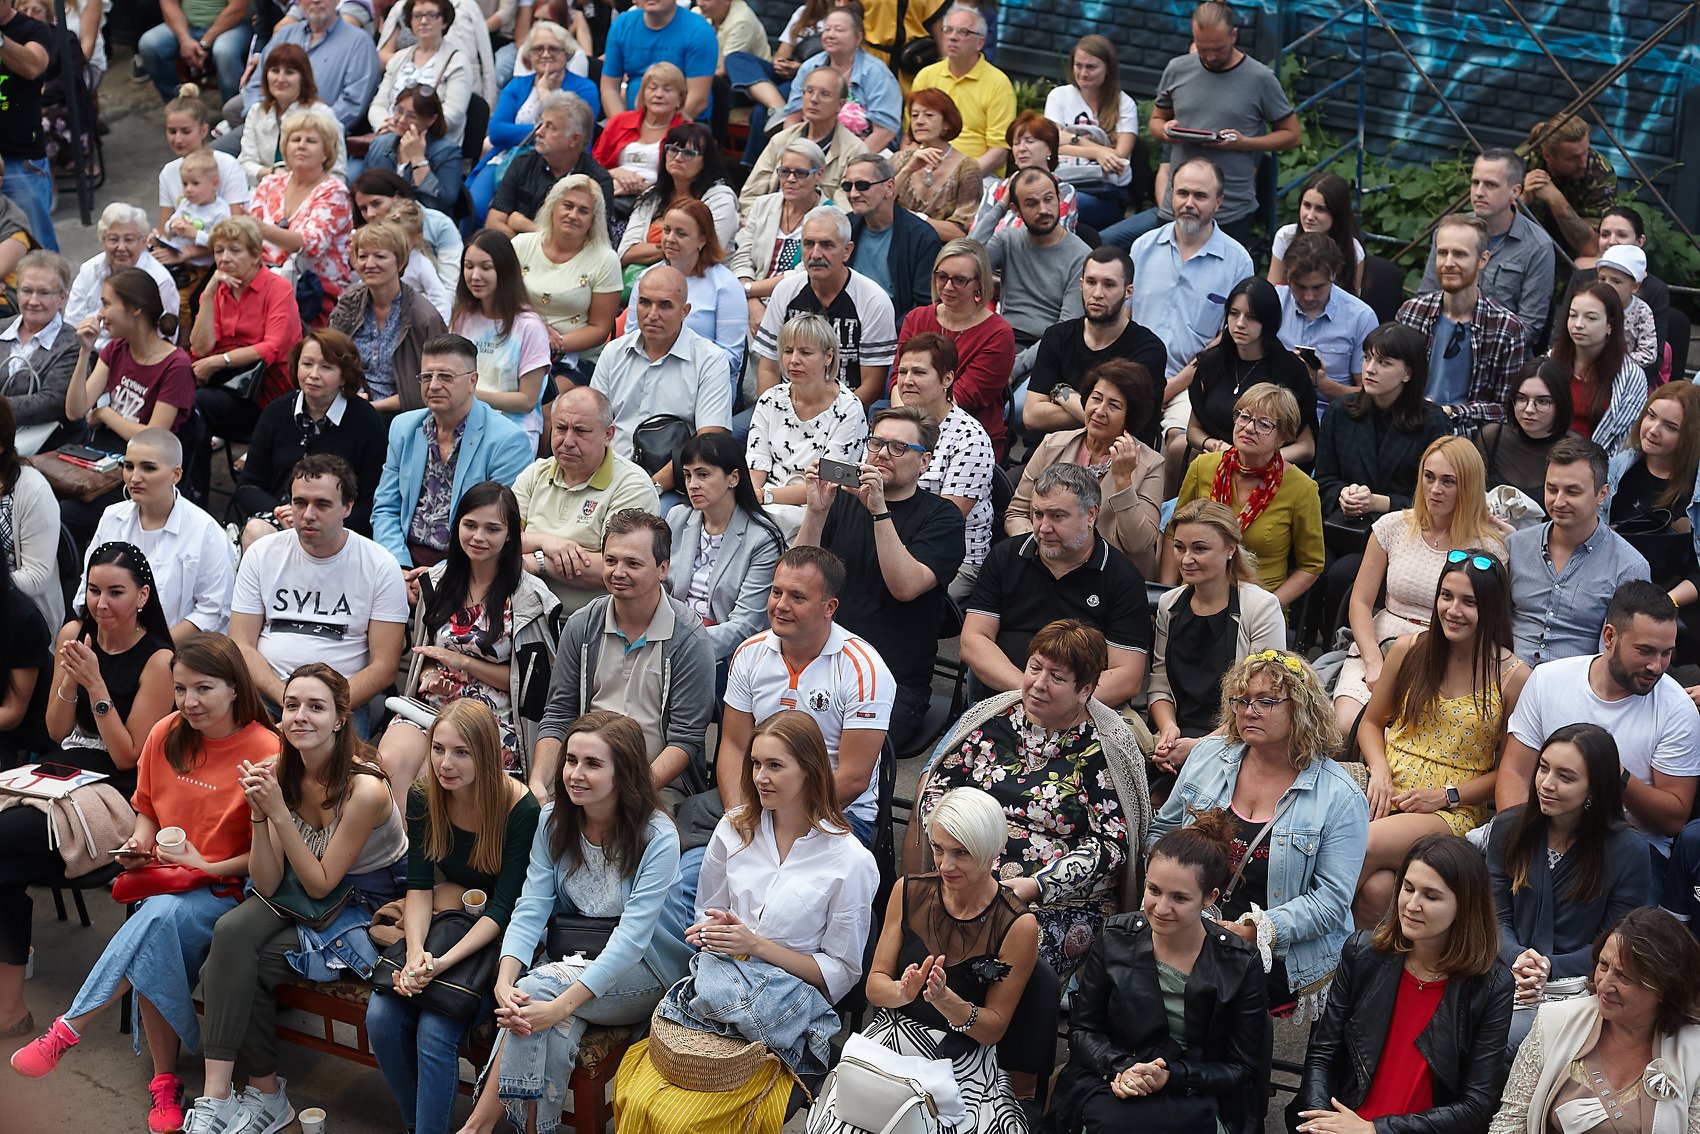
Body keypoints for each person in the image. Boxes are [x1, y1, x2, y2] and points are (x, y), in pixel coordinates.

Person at [10, 634, 278, 1134]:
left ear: (235, 689)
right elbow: (148, 810)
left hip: (227, 887)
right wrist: (138, 842)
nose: (188, 701)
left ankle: (74, 1031)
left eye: (203, 688)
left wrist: (204, 864)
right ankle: (160, 1080)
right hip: (164, 878)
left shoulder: (266, 751)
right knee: (159, 927)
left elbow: (267, 856)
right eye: (180, 689)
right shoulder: (166, 732)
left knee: (159, 921)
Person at [613, 711, 877, 1131]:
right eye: (755, 763)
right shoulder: (734, 828)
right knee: (637, 1096)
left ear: (810, 771)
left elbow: (839, 974)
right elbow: (707, 915)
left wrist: (755, 945)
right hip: (718, 987)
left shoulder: (851, 862)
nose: (760, 777)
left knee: (686, 1122)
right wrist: (713, 933)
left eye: (775, 765)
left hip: (788, 1009)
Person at [180, 664, 406, 1134]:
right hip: (301, 892)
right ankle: (220, 1097)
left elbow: (323, 882)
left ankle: (265, 1094)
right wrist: (260, 814)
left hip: (364, 905)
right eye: (291, 705)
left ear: (340, 719)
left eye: (316, 707)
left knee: (237, 965)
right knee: (230, 931)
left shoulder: (364, 788)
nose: (300, 716)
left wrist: (279, 812)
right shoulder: (279, 771)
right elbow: (267, 883)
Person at [456, 711, 691, 1134]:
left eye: (592, 764)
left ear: (625, 773)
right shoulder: (553, 820)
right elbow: (531, 906)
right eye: (570, 760)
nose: (575, 774)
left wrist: (555, 1004)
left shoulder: (657, 837)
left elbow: (632, 941)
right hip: (571, 959)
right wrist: (504, 980)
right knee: (551, 1027)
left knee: (537, 995)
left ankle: (477, 1126)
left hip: (642, 971)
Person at [912, 621, 1151, 981]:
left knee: (1003, 958)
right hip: (964, 874)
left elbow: (1113, 844)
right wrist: (953, 850)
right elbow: (938, 789)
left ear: (1085, 690)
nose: (1038, 684)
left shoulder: (1105, 746)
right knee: (914, 926)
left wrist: (1038, 885)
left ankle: (983, 1016)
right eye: (1035, 668)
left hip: (1056, 899)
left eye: (1057, 677)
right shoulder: (991, 719)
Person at [0, 542, 173, 1040]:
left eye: (116, 592)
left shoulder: (159, 660)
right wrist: (70, 681)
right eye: (94, 590)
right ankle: (9, 1008)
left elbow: (128, 756)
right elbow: (56, 730)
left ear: (142, 596)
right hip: (57, 773)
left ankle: (8, 1005)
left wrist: (96, 685)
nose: (101, 603)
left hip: (113, 792)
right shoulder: (74, 633)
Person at [808, 787, 1040, 1134]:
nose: (945, 865)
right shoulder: (908, 890)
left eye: (961, 853)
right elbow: (875, 986)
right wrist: (902, 992)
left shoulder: (1017, 925)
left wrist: (947, 1002)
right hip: (890, 1039)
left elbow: (993, 1029)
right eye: (938, 848)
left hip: (961, 1055)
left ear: (992, 852)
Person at [1150, 649, 1368, 1014]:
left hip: (1275, 951)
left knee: (1204, 995)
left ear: (1302, 709)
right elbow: (1162, 833)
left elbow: (1330, 903)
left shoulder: (1340, 796)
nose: (1249, 711)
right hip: (1185, 924)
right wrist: (1172, 899)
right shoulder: (1206, 756)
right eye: (1242, 700)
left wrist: (1256, 931)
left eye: (1266, 701)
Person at [365, 699, 542, 1134]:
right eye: (438, 749)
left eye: (461, 752)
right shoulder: (425, 796)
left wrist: (440, 963)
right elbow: (419, 885)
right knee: (381, 1018)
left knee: (435, 1029)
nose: (446, 764)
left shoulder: (520, 809)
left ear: (487, 756)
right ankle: (419, 1124)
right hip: (445, 924)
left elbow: (505, 907)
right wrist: (414, 954)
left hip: (499, 940)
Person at [1049, 809, 1271, 1134]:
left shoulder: (1240, 961)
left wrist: (1171, 1076)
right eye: (1153, 890)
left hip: (1198, 1091)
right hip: (1116, 1079)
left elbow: (1243, 1069)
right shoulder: (1114, 936)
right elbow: (1083, 1029)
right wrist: (1124, 1068)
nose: (1161, 908)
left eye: (1179, 897)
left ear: (1209, 898)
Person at [1352, 548, 1527, 925]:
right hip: (1385, 788)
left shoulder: (1513, 676)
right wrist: (1379, 770)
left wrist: (1447, 795)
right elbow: (1371, 722)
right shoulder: (1409, 649)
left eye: (1469, 602)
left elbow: (1513, 771)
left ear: (1491, 608)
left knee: (1359, 844)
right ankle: (1352, 958)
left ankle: (1293, 938)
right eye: (1446, 596)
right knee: (1377, 890)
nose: (1453, 610)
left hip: (1449, 809)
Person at [1295, 835, 1512, 1134]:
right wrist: (1321, 1122)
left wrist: (1375, 1130)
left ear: (1466, 906)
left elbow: (1476, 1106)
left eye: (1431, 896)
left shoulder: (1492, 986)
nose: (1411, 904)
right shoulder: (1361, 954)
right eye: (1408, 888)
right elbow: (1322, 1055)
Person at [798, 406, 966, 753]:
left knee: (833, 753)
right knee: (772, 734)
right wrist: (815, 512)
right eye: (876, 443)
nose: (883, 454)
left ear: (925, 462)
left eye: (899, 447)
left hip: (891, 680)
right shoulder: (841, 503)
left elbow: (905, 587)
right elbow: (799, 580)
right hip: (821, 663)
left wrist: (879, 510)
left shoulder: (943, 517)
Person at [1498, 580, 1699, 864]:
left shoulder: (1676, 709)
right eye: (1644, 651)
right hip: (1543, 833)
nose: (1656, 666)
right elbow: (1515, 773)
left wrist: (1616, 776)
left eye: (1666, 653)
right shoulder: (1548, 680)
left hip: (1631, 851)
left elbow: (1674, 819)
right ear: (1610, 637)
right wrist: (1522, 840)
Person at [379, 481, 561, 794]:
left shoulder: (531, 598)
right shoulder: (436, 582)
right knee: (390, 763)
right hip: (434, 706)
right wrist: (430, 676)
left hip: (492, 716)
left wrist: (463, 663)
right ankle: (403, 829)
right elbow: (427, 654)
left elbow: (529, 685)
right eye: (470, 525)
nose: (478, 537)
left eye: (492, 529)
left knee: (431, 777)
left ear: (510, 536)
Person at [531, 509, 716, 805]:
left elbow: (685, 740)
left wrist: (626, 795)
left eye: (633, 563)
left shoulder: (689, 639)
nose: (618, 572)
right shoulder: (582, 625)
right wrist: (539, 784)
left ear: (662, 569)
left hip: (656, 787)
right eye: (611, 561)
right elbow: (559, 714)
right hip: (582, 777)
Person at [710, 543, 892, 841]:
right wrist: (741, 816)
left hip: (835, 812)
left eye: (797, 597)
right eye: (776, 592)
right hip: (757, 802)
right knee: (691, 869)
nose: (781, 605)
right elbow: (734, 746)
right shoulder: (749, 653)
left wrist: (781, 827)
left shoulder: (865, 670)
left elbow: (854, 777)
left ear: (829, 607)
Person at [1489, 723, 1650, 1056]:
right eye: (1543, 768)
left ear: (1594, 789)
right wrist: (1517, 957)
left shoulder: (1627, 850)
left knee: (1503, 1041)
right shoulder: (1509, 828)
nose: (1547, 784)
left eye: (1565, 777)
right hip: (1504, 968)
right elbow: (1493, 914)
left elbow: (1614, 941)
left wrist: (1548, 968)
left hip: (1577, 986)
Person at [1329, 436, 1504, 724]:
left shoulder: (1489, 548)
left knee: (1410, 734)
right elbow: (1360, 602)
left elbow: (1489, 624)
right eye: (1429, 476)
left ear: (1469, 486)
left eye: (1448, 481)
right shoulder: (1392, 526)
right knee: (1347, 724)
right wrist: (1373, 662)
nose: (1435, 489)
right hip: (1382, 644)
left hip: (1447, 655)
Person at [230, 455, 409, 732]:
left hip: (342, 703)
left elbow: (384, 667)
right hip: (265, 695)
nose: (308, 514)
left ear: (347, 507)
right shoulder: (262, 553)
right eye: (299, 502)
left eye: (322, 504)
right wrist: (290, 702)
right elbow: (241, 644)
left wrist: (318, 707)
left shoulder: (380, 565)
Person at [1100, 1, 1299, 250]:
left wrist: (1245, 142)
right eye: (1203, 49)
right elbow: (1156, 121)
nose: (1211, 57)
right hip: (1177, 207)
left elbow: (1292, 135)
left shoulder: (1260, 79)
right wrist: (1166, 131)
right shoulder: (1178, 68)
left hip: (1231, 210)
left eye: (1218, 48)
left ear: (1234, 35)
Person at [1486, 907, 1700, 1134]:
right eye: (1603, 965)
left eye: (1624, 976)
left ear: (1664, 988)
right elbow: (1509, 1123)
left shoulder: (1694, 1052)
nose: (1604, 985)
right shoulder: (1554, 1022)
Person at [968, 463, 1153, 710]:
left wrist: (1057, 704)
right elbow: (974, 639)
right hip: (1001, 700)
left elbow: (1127, 677)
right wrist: (1028, 691)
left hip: (1082, 713)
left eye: (1057, 516)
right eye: (1038, 514)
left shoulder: (1122, 578)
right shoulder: (1005, 556)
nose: (1044, 528)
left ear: (1091, 515)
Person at [372, 333, 535, 569]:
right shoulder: (403, 427)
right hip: (402, 558)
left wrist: (437, 576)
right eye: (426, 376)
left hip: (466, 566)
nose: (434, 385)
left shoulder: (507, 441)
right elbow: (386, 508)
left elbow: (498, 531)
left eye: (446, 376)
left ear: (472, 381)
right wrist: (399, 566)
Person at [1149, 499, 1285, 777]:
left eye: (1200, 548)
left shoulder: (1261, 607)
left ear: (1230, 548)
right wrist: (1168, 731)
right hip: (1179, 736)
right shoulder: (1169, 604)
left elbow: (1262, 702)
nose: (1186, 559)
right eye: (1179, 547)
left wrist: (1200, 747)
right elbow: (1160, 684)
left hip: (1241, 736)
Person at [1128, 160, 1255, 455]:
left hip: (1193, 383)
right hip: (1133, 375)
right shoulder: (1142, 247)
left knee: (1180, 444)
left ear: (1219, 201)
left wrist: (1168, 388)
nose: (1188, 203)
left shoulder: (1237, 262)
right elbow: (1125, 316)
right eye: (1182, 193)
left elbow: (1226, 339)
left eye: (1200, 196)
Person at [62, 268, 196, 547]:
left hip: (139, 473)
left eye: (106, 304)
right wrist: (84, 351)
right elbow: (75, 411)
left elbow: (151, 436)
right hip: (100, 460)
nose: (100, 314)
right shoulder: (115, 349)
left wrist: (105, 414)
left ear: (135, 309)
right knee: (47, 498)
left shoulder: (176, 365)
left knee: (64, 516)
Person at [1169, 382, 1326, 606]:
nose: (1249, 428)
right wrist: (1167, 594)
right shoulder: (1202, 466)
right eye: (1244, 417)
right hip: (1196, 595)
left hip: (1258, 600)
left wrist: (1268, 606)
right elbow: (1173, 532)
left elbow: (1311, 565)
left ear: (1283, 437)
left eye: (1264, 424)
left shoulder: (1302, 488)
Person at [1008, 360, 1164, 579]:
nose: (1100, 411)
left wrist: (1123, 482)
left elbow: (1139, 544)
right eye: (1096, 399)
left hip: (1109, 578)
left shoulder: (1150, 463)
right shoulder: (1052, 444)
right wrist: (1040, 546)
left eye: (1114, 405)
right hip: (1044, 567)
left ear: (1130, 415)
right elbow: (1017, 512)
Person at [187, 216, 311, 491]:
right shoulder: (218, 291)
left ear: (256, 255)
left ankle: (195, 491)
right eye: (219, 250)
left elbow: (273, 346)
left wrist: (220, 361)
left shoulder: (277, 288)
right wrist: (208, 294)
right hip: (227, 387)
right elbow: (200, 348)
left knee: (194, 405)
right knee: (185, 405)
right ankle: (191, 490)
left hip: (269, 393)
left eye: (235, 250)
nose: (225, 258)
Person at [234, 329, 386, 549]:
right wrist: (285, 513)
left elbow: (372, 501)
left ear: (344, 375)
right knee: (256, 531)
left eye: (326, 367)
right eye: (307, 364)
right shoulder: (276, 412)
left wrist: (323, 521)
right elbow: (247, 487)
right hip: (279, 519)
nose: (314, 374)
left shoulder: (367, 422)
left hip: (339, 528)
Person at [590, 266, 733, 498]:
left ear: (685, 311)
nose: (652, 314)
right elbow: (591, 423)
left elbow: (708, 441)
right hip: (606, 474)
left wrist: (648, 488)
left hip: (670, 485)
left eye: (665, 305)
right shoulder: (613, 352)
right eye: (644, 303)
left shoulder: (710, 360)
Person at [81, 429, 235, 645]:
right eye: (129, 466)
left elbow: (212, 611)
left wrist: (151, 649)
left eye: (149, 468)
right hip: (110, 641)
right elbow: (86, 587)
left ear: (176, 474)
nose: (135, 477)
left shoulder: (206, 531)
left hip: (178, 650)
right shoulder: (112, 517)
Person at [1506, 436, 1649, 666]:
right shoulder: (1515, 546)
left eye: (1572, 492)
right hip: (1505, 677)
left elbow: (1615, 657)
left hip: (1578, 683)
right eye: (1552, 489)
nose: (1558, 501)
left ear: (1602, 494)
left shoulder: (1629, 567)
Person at [515, 387, 661, 613]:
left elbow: (617, 568)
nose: (568, 441)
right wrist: (545, 542)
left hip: (595, 622)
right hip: (523, 615)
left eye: (581, 431)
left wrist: (537, 563)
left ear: (608, 434)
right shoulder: (536, 473)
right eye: (560, 428)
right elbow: (500, 540)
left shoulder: (632, 485)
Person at [752, 206, 898, 410]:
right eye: (808, 244)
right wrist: (774, 414)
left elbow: (872, 386)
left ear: (847, 250)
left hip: (848, 412)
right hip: (786, 407)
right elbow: (768, 368)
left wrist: (826, 418)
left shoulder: (873, 300)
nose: (816, 254)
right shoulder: (785, 291)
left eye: (827, 245)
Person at [1022, 247, 1168, 441]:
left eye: (1109, 284)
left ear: (1128, 291)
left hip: (1117, 456)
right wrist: (1103, 416)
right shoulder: (1057, 336)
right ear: (1081, 284)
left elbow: (1125, 427)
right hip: (1053, 451)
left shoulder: (1149, 350)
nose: (1097, 293)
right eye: (1091, 282)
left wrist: (1060, 392)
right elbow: (1032, 416)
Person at [1394, 214, 1528, 427]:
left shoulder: (1507, 328)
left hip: (1470, 435)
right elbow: (1391, 382)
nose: (1448, 263)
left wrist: (1452, 412)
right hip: (1410, 425)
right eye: (1442, 253)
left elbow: (1507, 407)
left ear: (1483, 259)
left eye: (1459, 254)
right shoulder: (1411, 312)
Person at [665, 431, 786, 665]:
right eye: (688, 475)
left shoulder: (762, 539)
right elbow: (658, 586)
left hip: (722, 656)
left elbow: (746, 624)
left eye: (703, 474)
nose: (692, 485)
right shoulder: (677, 518)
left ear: (734, 478)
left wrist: (678, 645)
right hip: (668, 637)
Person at [889, 333, 995, 598]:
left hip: (954, 557)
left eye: (919, 372)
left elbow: (946, 522)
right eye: (902, 372)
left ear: (947, 379)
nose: (907, 381)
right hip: (892, 538)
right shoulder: (894, 426)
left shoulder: (970, 438)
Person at [1419, 150, 1554, 347]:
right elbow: (1425, 299)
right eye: (1475, 182)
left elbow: (1529, 328)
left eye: (1490, 185)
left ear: (1515, 191)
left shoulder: (1538, 246)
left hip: (1501, 354)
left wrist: (1472, 346)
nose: (1479, 192)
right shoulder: (1449, 232)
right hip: (1440, 342)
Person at [747, 312, 869, 529]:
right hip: (764, 500)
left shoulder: (849, 409)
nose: (794, 360)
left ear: (828, 357)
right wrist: (749, 498)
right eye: (788, 351)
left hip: (816, 508)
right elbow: (757, 465)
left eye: (805, 352)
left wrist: (765, 496)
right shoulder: (770, 399)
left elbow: (827, 484)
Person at [1176, 276, 1318, 463]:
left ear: (1268, 320)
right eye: (1234, 313)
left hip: (1269, 466)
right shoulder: (1211, 362)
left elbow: (1306, 447)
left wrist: (1256, 460)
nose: (1240, 323)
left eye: (1251, 317)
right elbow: (1193, 430)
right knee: (1177, 447)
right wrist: (1219, 447)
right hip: (1216, 455)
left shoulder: (1290, 370)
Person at [896, 240, 1015, 460]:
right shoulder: (916, 318)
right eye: (942, 276)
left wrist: (910, 435)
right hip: (909, 427)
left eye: (959, 280)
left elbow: (961, 398)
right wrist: (901, 428)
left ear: (979, 283)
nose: (948, 287)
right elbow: (898, 380)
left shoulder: (998, 334)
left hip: (967, 441)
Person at [470, 21, 601, 220]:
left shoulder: (584, 88)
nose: (545, 54)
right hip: (508, 158)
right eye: (538, 49)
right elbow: (496, 132)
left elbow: (580, 135)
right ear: (529, 55)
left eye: (553, 49)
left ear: (566, 53)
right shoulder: (517, 85)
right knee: (475, 206)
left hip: (561, 164)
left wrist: (545, 96)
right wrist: (547, 131)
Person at [1608, 384, 1700, 652]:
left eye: (1670, 427)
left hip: (1676, 599)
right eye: (1651, 415)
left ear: (1690, 437)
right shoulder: (1618, 468)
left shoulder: (1694, 489)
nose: (1653, 429)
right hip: (1614, 590)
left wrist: (1664, 603)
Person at [327, 220, 448, 416]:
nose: (369, 264)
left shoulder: (424, 317)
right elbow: (329, 354)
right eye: (363, 256)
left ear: (400, 262)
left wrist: (371, 408)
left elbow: (436, 383)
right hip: (346, 404)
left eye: (380, 256)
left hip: (403, 415)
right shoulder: (350, 301)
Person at [247, 111, 356, 321]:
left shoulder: (334, 192)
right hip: (263, 283)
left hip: (314, 293)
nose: (301, 145)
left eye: (311, 141)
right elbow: (249, 240)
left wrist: (260, 229)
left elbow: (311, 244)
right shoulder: (270, 183)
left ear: (326, 153)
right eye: (295, 140)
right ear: (285, 149)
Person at [447, 231, 551, 447]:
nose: (475, 276)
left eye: (486, 268)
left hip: (512, 430)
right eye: (469, 266)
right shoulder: (462, 318)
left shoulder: (529, 327)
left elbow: (527, 400)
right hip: (464, 423)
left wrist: (468, 396)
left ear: (504, 270)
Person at [622, 197, 743, 379]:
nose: (670, 239)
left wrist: (675, 366)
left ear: (702, 240)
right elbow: (630, 337)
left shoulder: (726, 285)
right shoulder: (646, 278)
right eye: (667, 230)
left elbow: (731, 357)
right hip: (645, 372)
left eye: (681, 234)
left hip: (703, 380)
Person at [237, 0, 382, 137]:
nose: (316, 1)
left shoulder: (359, 43)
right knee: (225, 148)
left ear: (338, 0)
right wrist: (262, 118)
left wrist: (303, 128)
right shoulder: (285, 35)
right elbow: (255, 85)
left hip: (319, 137)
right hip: (268, 128)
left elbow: (352, 104)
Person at [983, 169, 1090, 352]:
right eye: (1031, 204)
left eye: (1048, 199)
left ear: (1059, 199)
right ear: (1016, 210)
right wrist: (1000, 207)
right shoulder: (1007, 240)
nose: (1043, 210)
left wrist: (1017, 365)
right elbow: (964, 262)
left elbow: (1065, 331)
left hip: (1048, 350)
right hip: (1004, 340)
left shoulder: (1082, 256)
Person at [1044, 35, 1140, 232]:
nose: (1083, 73)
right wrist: (1098, 152)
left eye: (1091, 67)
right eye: (1078, 65)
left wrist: (1070, 140)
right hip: (1064, 180)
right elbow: (1049, 145)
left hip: (1105, 193)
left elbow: (1119, 158)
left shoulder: (1124, 104)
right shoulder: (1059, 96)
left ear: (1108, 69)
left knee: (1061, 202)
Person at [485, 92, 612, 239]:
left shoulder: (597, 181)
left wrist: (525, 225)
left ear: (574, 139)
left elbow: (593, 241)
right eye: (541, 123)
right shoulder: (523, 163)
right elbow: (493, 222)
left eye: (550, 127)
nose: (539, 132)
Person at [777, 5, 902, 153]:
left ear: (858, 37)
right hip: (810, 151)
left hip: (863, 154)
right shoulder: (809, 67)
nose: (830, 35)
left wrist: (850, 162)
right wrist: (796, 154)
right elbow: (792, 119)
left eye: (839, 30)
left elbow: (885, 131)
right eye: (827, 29)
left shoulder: (877, 74)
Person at [619, 121, 740, 271]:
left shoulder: (720, 200)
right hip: (642, 278)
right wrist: (679, 248)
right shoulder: (652, 197)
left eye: (688, 153)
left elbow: (708, 253)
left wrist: (652, 250)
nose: (677, 158)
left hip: (701, 278)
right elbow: (625, 253)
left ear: (706, 161)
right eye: (673, 150)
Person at [908, 5, 1014, 176]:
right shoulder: (926, 76)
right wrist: (913, 169)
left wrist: (960, 177)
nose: (953, 37)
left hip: (977, 174)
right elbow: (910, 137)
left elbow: (999, 150)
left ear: (980, 43)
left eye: (963, 32)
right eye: (948, 30)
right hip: (924, 170)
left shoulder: (998, 84)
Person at [729, 139, 827, 323]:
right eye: (784, 171)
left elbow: (804, 273)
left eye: (800, 173)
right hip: (749, 304)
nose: (790, 179)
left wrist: (748, 290)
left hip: (798, 312)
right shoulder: (763, 204)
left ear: (819, 174)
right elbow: (742, 256)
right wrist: (753, 303)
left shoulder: (828, 217)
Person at [740, 68, 860, 214]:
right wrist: (761, 221)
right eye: (809, 91)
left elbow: (845, 211)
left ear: (840, 105)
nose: (814, 99)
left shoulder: (854, 151)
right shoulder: (781, 140)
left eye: (824, 94)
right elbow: (750, 196)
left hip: (821, 225)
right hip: (770, 221)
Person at [843, 152, 942, 325]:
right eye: (847, 186)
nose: (853, 194)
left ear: (889, 187)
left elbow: (924, 304)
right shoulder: (844, 227)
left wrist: (890, 332)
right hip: (844, 323)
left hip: (895, 329)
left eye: (862, 185)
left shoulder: (922, 237)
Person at [1278, 233, 1380, 399]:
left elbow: (1370, 393)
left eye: (1318, 287)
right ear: (1287, 275)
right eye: (1300, 286)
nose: (1308, 296)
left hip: (1331, 409)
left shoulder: (1361, 317)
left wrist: (1324, 385)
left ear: (1334, 274)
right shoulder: (1274, 302)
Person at [235, 43, 347, 188]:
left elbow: (337, 173)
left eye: (289, 72)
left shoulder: (323, 114)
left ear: (303, 78)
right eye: (275, 71)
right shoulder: (257, 111)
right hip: (262, 191)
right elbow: (244, 164)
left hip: (311, 193)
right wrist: (273, 174)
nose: (280, 79)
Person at [367, 0, 475, 147]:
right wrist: (384, 125)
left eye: (431, 15)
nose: (423, 21)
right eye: (417, 16)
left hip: (431, 144)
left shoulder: (458, 62)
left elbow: (453, 114)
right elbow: (378, 104)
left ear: (444, 21)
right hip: (389, 137)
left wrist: (410, 128)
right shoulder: (398, 58)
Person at [65, 205, 179, 344]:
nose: (121, 247)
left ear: (143, 242)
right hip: (84, 348)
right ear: (102, 241)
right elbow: (71, 324)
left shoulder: (159, 280)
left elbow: (164, 338)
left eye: (129, 239)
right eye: (113, 239)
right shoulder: (89, 269)